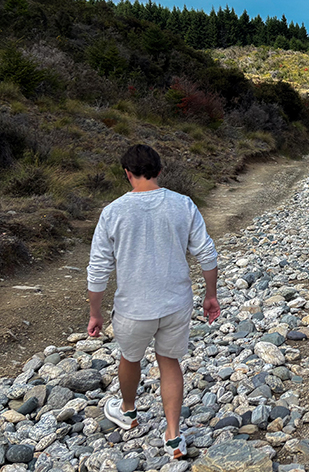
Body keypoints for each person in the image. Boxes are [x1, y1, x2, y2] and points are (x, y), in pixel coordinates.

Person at [87, 144, 220, 460]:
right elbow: (207, 254)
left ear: (127, 173)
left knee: (130, 358)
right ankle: (174, 436)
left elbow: (98, 268)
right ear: (160, 171)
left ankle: (128, 412)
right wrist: (210, 295)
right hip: (176, 303)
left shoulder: (113, 212)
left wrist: (95, 313)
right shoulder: (183, 205)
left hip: (133, 308)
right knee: (169, 362)